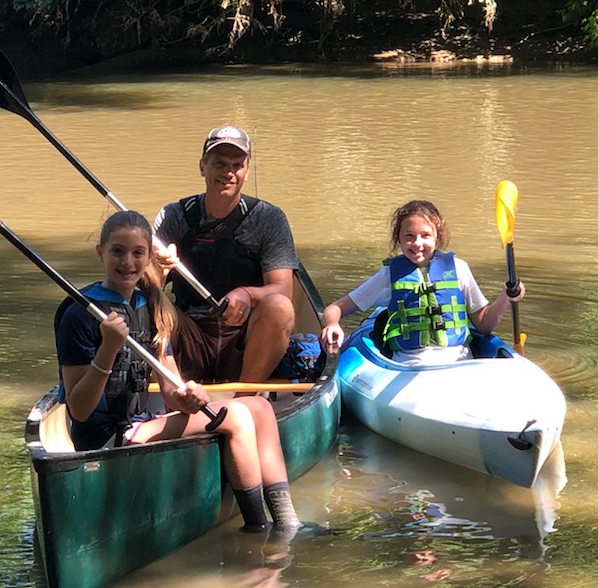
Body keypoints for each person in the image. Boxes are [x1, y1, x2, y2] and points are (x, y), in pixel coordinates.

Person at [55, 209, 301, 532]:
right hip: (104, 441)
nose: (127, 262)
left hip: (140, 425)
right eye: (117, 251)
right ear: (100, 253)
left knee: (260, 407)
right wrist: (108, 349)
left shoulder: (149, 307)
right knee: (238, 418)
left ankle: (287, 521)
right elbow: (79, 409)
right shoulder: (80, 314)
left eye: (137, 253)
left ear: (147, 259)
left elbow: (171, 391)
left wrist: (190, 395)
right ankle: (258, 530)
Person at [152, 126, 297, 384]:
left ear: (247, 170)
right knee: (144, 306)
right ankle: (172, 392)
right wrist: (158, 268)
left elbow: (284, 289)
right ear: (202, 166)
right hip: (188, 333)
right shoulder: (174, 215)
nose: (228, 172)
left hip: (243, 341)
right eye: (219, 164)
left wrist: (247, 294)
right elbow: (141, 288)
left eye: (237, 165)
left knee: (280, 307)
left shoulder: (269, 218)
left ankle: (245, 398)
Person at [319, 199, 526, 364]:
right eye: (409, 236)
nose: (417, 243)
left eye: (425, 235)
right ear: (398, 239)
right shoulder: (388, 275)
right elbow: (335, 308)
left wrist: (505, 297)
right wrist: (332, 324)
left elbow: (484, 324)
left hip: (461, 365)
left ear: (437, 237)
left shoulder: (458, 269)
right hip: (408, 367)